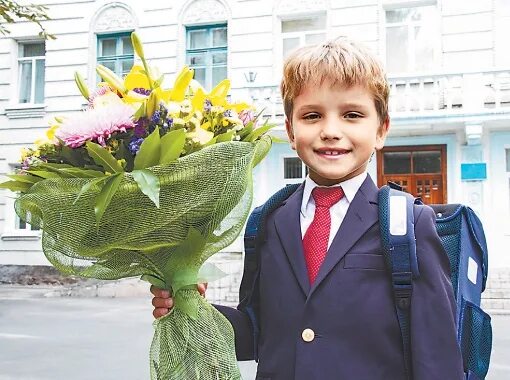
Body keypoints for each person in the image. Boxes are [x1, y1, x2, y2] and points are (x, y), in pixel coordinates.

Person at [151, 37, 464, 379]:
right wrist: (190, 306)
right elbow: (258, 333)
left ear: (381, 130)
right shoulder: (267, 220)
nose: (330, 131)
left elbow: (438, 358)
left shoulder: (408, 224)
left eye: (352, 115)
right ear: (290, 129)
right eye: (312, 115)